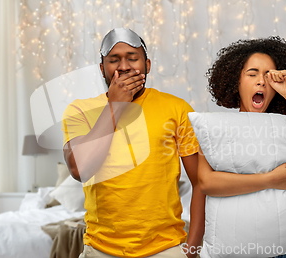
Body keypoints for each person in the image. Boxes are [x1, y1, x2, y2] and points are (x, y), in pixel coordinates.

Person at [62, 28, 204, 258]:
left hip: (166, 248)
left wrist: (193, 248)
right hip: (99, 249)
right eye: (114, 60)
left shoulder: (177, 109)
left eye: (132, 58)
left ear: (147, 65)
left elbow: (201, 183)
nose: (124, 66)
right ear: (102, 68)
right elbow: (80, 169)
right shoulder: (79, 110)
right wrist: (116, 106)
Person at [198, 36, 286, 258]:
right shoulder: (217, 129)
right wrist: (271, 180)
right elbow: (207, 182)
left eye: (269, 75)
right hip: (241, 249)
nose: (261, 81)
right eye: (252, 74)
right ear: (236, 81)